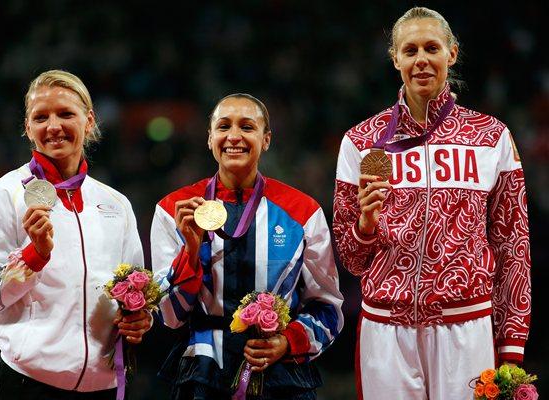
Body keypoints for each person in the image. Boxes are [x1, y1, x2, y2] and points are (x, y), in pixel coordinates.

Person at [333, 6, 531, 400]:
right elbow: (352, 259)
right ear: (396, 59)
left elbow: (513, 245)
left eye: (431, 48)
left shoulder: (491, 138)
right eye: (410, 51)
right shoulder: (360, 142)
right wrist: (366, 225)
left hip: (467, 324)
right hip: (386, 329)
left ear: (451, 54)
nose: (421, 59)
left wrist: (512, 342)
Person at [0, 69, 152, 399]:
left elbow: (135, 284)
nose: (53, 126)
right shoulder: (4, 195)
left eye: (66, 113)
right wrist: (32, 257)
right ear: (28, 128)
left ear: (89, 120)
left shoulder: (115, 204)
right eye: (41, 117)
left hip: (104, 385)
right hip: (29, 384)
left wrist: (139, 317)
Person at [151, 93, 344, 400]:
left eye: (247, 127)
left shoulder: (303, 211)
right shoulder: (174, 209)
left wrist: (288, 341)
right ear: (210, 138)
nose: (234, 136)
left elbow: (328, 306)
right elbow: (170, 315)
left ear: (266, 139)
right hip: (203, 372)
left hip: (282, 374)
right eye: (224, 126)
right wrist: (190, 251)